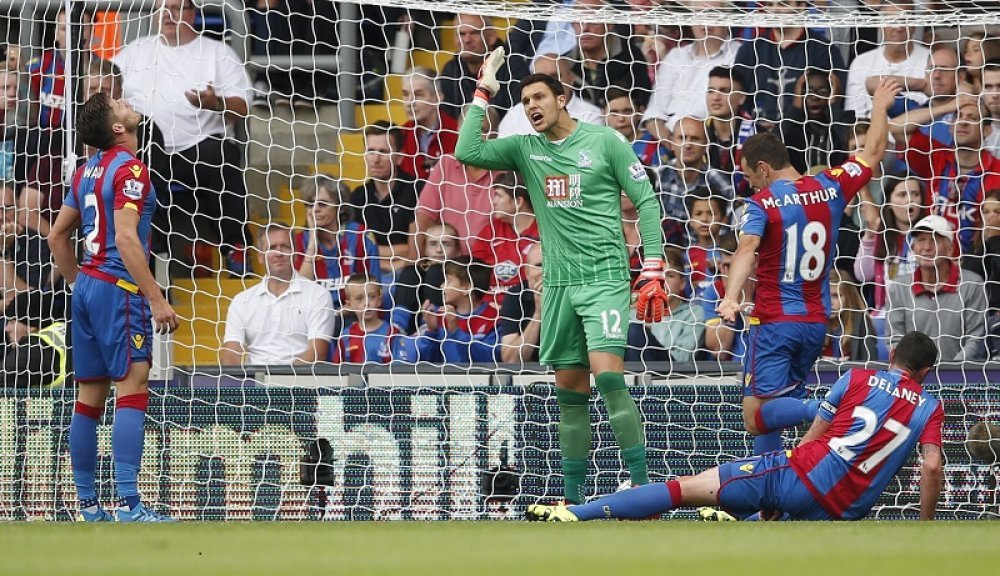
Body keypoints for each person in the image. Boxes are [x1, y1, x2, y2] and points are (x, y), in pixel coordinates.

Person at [456, 49, 668, 504]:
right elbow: (466, 151)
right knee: (570, 392)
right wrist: (483, 92)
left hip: (605, 277)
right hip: (557, 285)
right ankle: (573, 501)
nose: (532, 106)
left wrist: (652, 264)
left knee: (607, 377)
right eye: (524, 102)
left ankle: (643, 486)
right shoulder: (525, 149)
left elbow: (647, 201)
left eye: (539, 97)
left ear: (562, 98)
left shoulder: (605, 141)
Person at [526, 331, 944, 523]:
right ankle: (747, 515)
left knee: (684, 488)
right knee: (773, 519)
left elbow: (815, 434)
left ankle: (575, 512)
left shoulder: (855, 378)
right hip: (843, 510)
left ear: (892, 354)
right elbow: (931, 466)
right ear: (925, 372)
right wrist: (926, 524)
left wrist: (792, 472)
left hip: (802, 476)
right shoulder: (929, 406)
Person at [716, 79, 901, 457]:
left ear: (764, 168)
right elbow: (874, 151)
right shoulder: (830, 186)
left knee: (755, 416)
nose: (751, 186)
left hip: (774, 322)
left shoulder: (762, 204)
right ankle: (769, 489)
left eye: (750, 177)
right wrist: (880, 106)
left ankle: (826, 408)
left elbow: (746, 249)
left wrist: (731, 297)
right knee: (775, 409)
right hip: (816, 323)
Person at [47, 91, 180, 522]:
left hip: (87, 285)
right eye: (117, 104)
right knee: (133, 386)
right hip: (118, 288)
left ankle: (89, 505)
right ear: (118, 128)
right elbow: (125, 237)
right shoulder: (131, 168)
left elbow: (56, 237)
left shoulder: (85, 171)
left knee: (89, 397)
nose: (125, 101)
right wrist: (156, 298)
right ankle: (129, 504)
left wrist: (79, 283)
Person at [113, 0, 253, 275]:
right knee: (143, 146)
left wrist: (215, 102)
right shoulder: (134, 51)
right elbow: (106, 87)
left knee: (222, 156)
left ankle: (235, 248)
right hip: (147, 149)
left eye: (176, 8)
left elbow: (243, 106)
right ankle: (154, 251)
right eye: (162, 8)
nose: (168, 14)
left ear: (192, 13)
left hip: (199, 147)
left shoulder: (217, 52)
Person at [221, 224, 335, 365]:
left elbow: (317, 352)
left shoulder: (318, 295)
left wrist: (281, 378)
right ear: (260, 257)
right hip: (255, 377)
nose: (279, 253)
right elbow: (231, 352)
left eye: (285, 247)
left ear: (295, 254)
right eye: (272, 247)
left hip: (301, 377)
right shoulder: (241, 301)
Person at [887, 215, 988, 362]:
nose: (927, 247)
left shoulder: (972, 284)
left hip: (961, 373)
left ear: (950, 249)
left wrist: (949, 370)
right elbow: (895, 339)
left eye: (935, 240)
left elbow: (976, 338)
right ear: (913, 248)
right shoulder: (899, 287)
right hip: (913, 373)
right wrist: (916, 370)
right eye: (921, 240)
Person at [293, 175, 381, 305]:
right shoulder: (300, 241)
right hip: (315, 313)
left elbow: (374, 290)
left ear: (340, 207)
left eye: (322, 204)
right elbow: (299, 294)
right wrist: (312, 244)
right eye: (310, 204)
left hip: (356, 313)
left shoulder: (360, 235)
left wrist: (347, 310)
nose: (315, 209)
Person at [350, 122, 419, 271]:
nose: (376, 159)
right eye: (371, 151)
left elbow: (415, 249)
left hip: (407, 271)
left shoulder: (417, 189)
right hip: (369, 272)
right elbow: (354, 248)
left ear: (399, 157)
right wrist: (394, 256)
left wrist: (372, 251)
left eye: (383, 151)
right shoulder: (358, 196)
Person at [855, 174, 927, 312]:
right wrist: (869, 235)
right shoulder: (881, 237)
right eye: (902, 195)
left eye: (915, 194)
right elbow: (863, 275)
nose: (910, 200)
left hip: (922, 312)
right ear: (889, 203)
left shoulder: (932, 236)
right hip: (886, 313)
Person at [413, 258, 500, 364]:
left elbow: (491, 359)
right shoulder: (439, 316)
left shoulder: (493, 318)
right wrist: (431, 331)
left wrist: (456, 332)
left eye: (448, 281)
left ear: (466, 288)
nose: (442, 286)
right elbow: (424, 361)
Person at [626, 247, 705, 363]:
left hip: (674, 369)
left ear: (682, 283)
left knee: (635, 330)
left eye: (670, 275)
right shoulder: (632, 315)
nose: (662, 281)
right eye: (657, 275)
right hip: (632, 370)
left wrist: (647, 333)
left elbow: (683, 358)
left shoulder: (693, 314)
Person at [470, 171, 539, 299]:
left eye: (499, 196)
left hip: (530, 302)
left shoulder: (545, 232)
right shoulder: (490, 231)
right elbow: (475, 274)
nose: (493, 201)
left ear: (518, 201)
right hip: (491, 303)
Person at [398, 67, 458, 181]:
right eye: (405, 94)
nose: (410, 102)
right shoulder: (400, 136)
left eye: (418, 95)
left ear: (437, 98)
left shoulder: (458, 133)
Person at [334, 273, 403, 364]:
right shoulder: (346, 336)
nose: (367, 303)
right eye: (359, 298)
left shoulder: (392, 333)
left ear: (379, 300)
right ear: (349, 305)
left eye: (372, 297)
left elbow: (400, 369)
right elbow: (338, 369)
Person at [498, 242, 543, 364]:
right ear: (527, 272)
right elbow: (511, 360)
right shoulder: (515, 296)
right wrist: (538, 314)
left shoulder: (575, 293)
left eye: (553, 264)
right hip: (530, 372)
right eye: (539, 265)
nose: (546, 271)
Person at [824, 268, 878, 362]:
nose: (830, 303)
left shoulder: (861, 322)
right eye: (825, 296)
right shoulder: (811, 323)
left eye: (836, 296)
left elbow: (870, 362)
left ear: (848, 297)